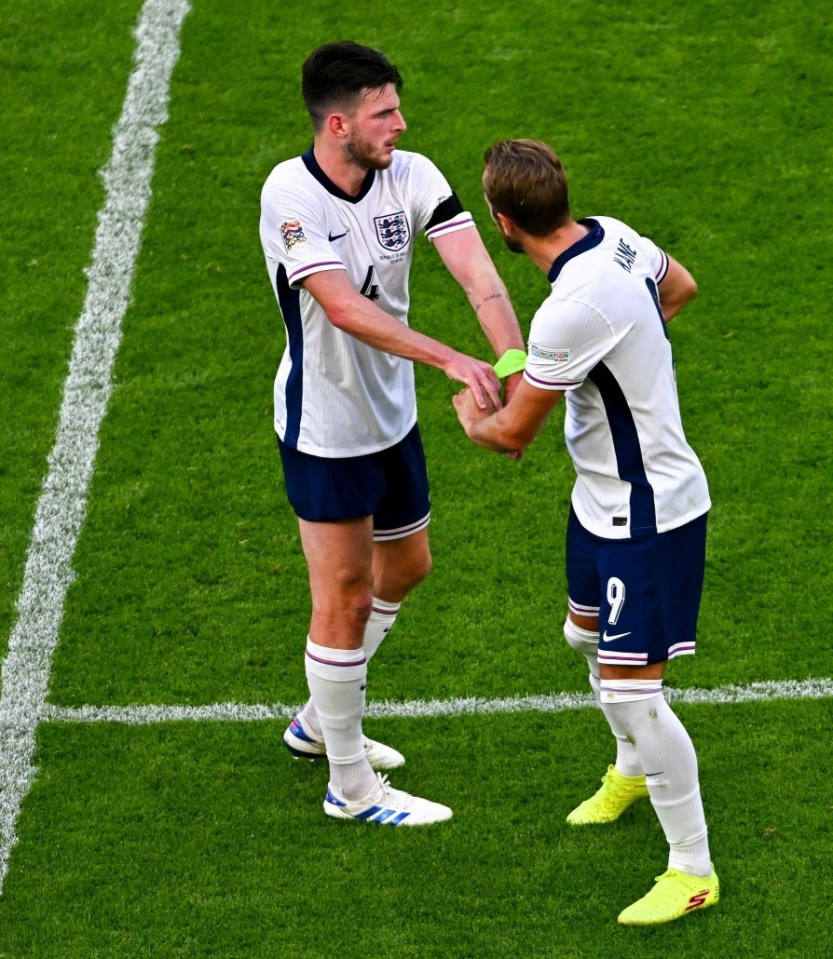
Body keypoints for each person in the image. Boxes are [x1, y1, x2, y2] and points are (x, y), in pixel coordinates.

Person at [453, 139, 719, 923]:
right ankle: (633, 767)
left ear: (503, 222)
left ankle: (692, 868)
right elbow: (681, 287)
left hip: (648, 513)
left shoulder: (567, 310)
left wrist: (470, 413)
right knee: (583, 639)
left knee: (634, 691)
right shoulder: (616, 234)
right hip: (597, 500)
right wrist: (623, 363)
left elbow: (508, 436)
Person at [259, 42, 524, 826]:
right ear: (337, 123)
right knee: (342, 595)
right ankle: (349, 782)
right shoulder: (288, 194)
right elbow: (341, 306)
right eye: (383, 114)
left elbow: (478, 276)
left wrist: (511, 367)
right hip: (326, 426)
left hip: (390, 417)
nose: (400, 125)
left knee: (406, 565)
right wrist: (446, 356)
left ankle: (318, 717)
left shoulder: (411, 176)